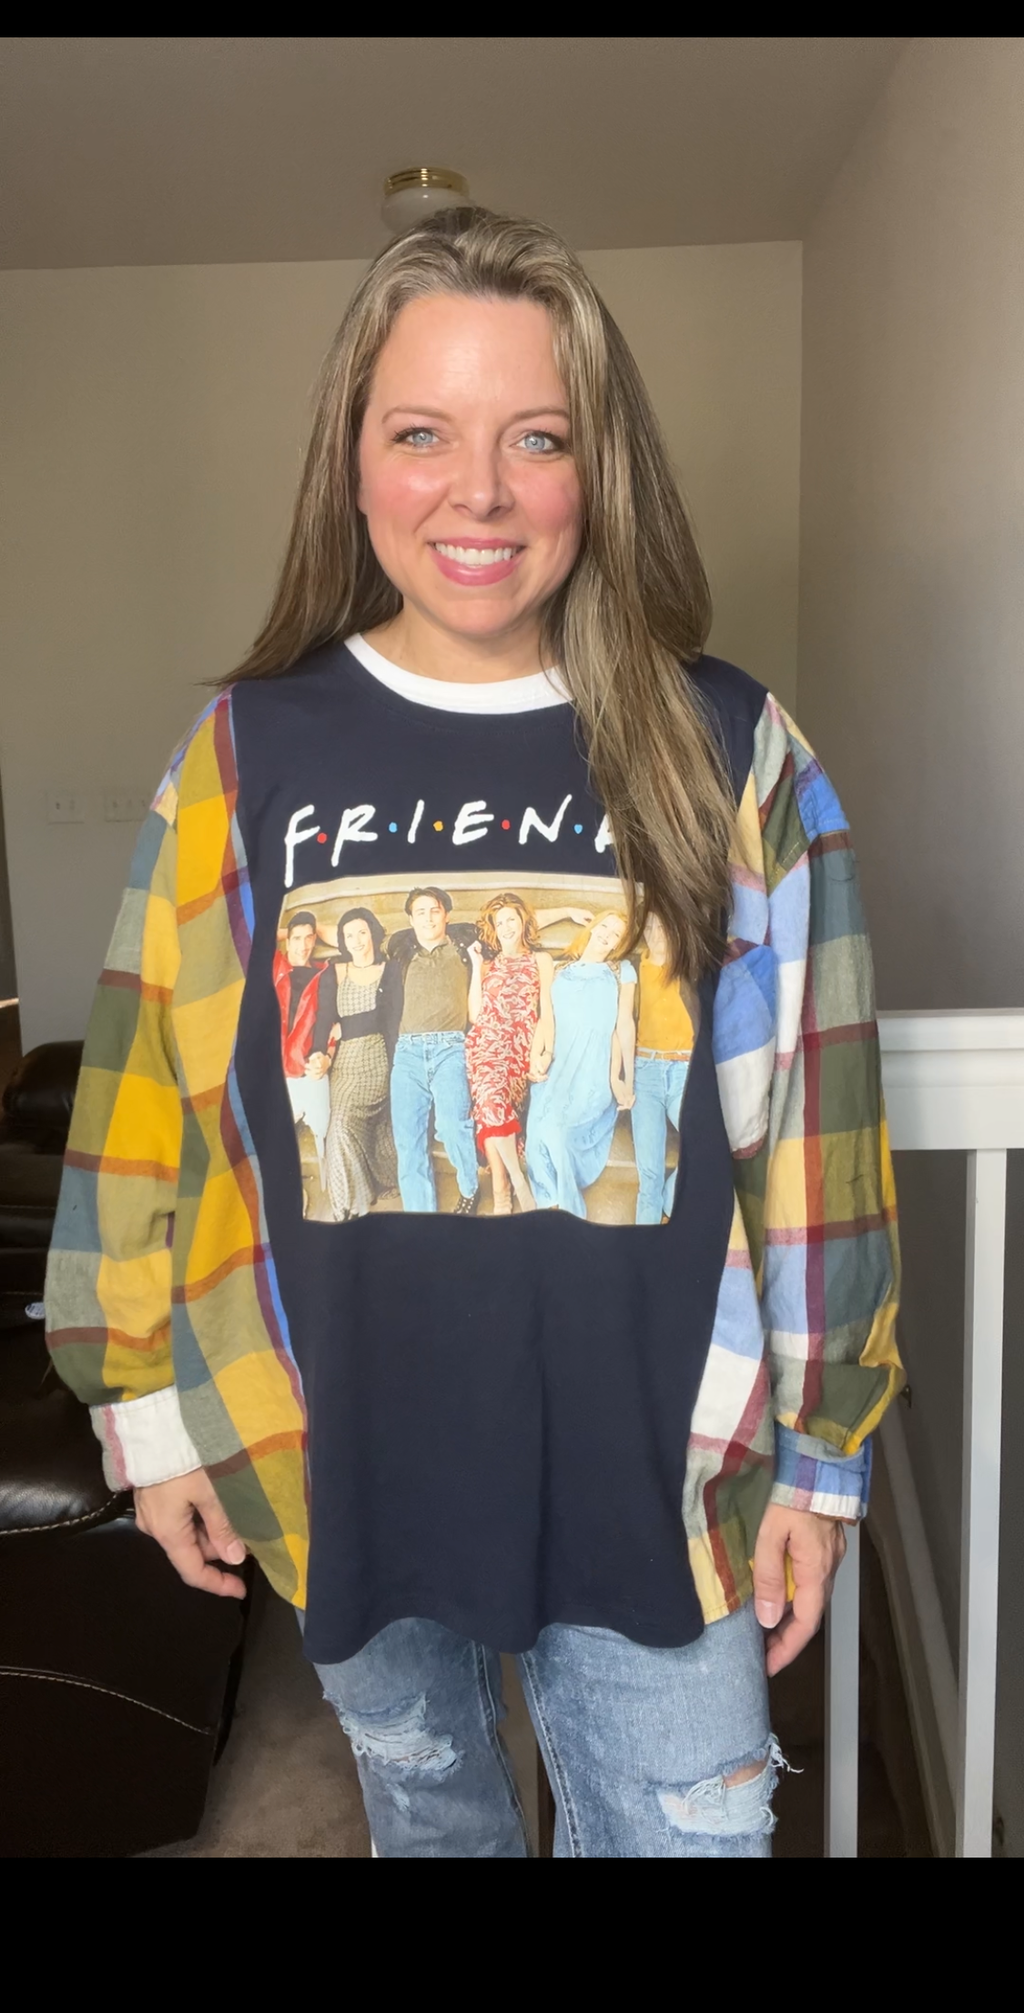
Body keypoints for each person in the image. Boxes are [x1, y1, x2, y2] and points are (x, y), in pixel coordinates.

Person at [42, 206, 902, 1859]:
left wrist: (823, 1455)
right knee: (431, 1826)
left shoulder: (729, 745)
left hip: (663, 1480)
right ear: (354, 463)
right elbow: (148, 1095)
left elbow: (811, 1121)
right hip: (343, 1454)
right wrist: (143, 1409)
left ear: (601, 468)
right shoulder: (243, 755)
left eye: (538, 437)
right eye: (422, 432)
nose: (479, 491)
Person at [464, 891, 592, 1214]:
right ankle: (513, 1183)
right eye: (500, 922)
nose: (507, 927)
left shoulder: (540, 960)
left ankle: (502, 1184)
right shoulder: (488, 964)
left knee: (492, 1106)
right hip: (485, 1044)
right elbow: (475, 1015)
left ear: (524, 923)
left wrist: (545, 1052)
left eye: (512, 920)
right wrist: (476, 968)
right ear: (493, 929)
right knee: (490, 1096)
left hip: (519, 1046)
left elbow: (546, 1009)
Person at [523, 910, 638, 1218]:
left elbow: (622, 1027)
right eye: (604, 926)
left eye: (616, 934)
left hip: (593, 1071)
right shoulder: (558, 969)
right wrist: (535, 1057)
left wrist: (621, 1079)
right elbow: (545, 1019)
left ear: (620, 944)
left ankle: (570, 1214)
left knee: (558, 1133)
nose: (607, 935)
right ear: (592, 927)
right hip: (556, 1065)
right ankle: (550, 1212)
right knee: (536, 1139)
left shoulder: (622, 972)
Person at [385, 886, 482, 1214]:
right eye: (420, 912)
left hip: (450, 1049)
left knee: (453, 1126)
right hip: (407, 1053)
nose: (428, 918)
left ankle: (469, 1188)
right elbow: (361, 934)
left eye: (435, 911)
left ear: (447, 915)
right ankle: (420, 1217)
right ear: (411, 919)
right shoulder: (401, 953)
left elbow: (509, 920)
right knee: (407, 1140)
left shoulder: (464, 947)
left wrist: (565, 912)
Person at [309, 906, 401, 1223]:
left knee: (349, 1123)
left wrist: (347, 1026)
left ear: (373, 933)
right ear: (343, 941)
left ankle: (356, 1198)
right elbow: (324, 1018)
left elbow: (388, 1019)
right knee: (341, 1123)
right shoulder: (335, 971)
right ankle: (351, 1205)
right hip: (344, 1063)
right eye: (349, 935)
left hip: (377, 1058)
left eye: (362, 932)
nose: (357, 940)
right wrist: (319, 1052)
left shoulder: (389, 970)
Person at [631, 909, 696, 1225]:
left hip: (685, 1070)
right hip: (646, 1072)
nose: (655, 932)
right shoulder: (634, 969)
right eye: (649, 926)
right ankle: (643, 1244)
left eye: (662, 925)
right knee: (650, 1175)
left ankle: (669, 1208)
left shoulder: (690, 968)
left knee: (703, 1146)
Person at [273, 909, 333, 1191]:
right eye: (297, 939)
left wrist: (324, 1054)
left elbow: (326, 1018)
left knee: (321, 1123)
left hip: (305, 1064)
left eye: (309, 938)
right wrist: (290, 930)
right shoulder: (275, 964)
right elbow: (252, 938)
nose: (304, 945)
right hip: (272, 1065)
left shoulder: (323, 973)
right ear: (286, 940)